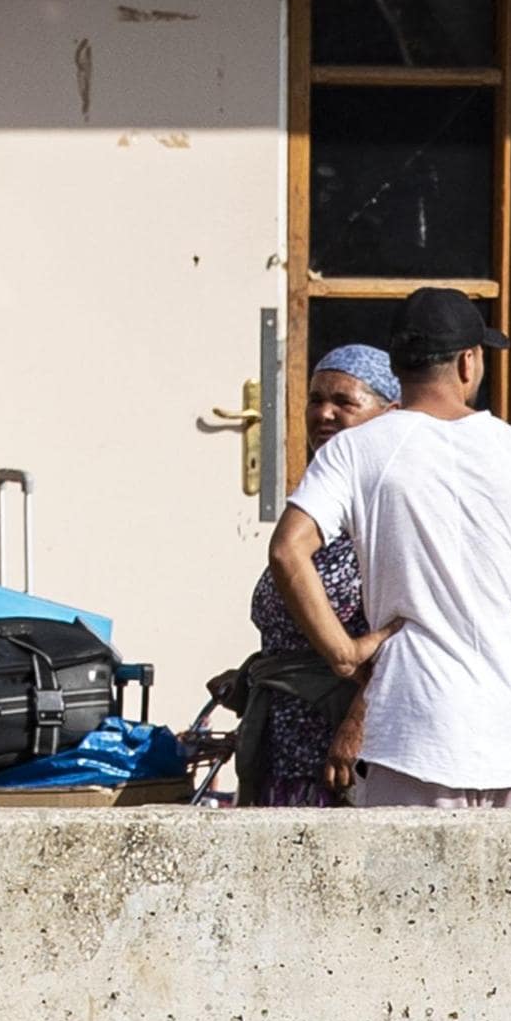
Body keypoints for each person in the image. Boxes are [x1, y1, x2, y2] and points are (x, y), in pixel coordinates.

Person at [269, 286, 511, 810]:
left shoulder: (356, 450)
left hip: (411, 728)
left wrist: (344, 655)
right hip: (509, 729)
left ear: (398, 366)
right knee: (509, 893)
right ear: (468, 362)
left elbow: (287, 551)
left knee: (407, 894)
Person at [206, 344, 399, 806]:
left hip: (343, 761)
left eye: (345, 402)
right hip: (282, 750)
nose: (325, 413)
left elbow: (410, 634)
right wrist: (253, 681)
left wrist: (358, 723)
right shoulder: (314, 506)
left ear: (390, 416)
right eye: (316, 399)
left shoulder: (391, 510)